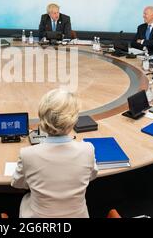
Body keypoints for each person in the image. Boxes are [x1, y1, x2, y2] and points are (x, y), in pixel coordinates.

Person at [11, 89, 97, 218]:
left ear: (42, 119)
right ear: (73, 120)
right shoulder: (88, 149)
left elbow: (17, 183)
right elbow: (91, 176)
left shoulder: (27, 154)